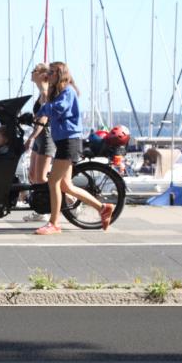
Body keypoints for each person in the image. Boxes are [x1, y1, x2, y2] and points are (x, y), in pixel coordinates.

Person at [31, 61, 114, 234]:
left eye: (52, 72)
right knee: (66, 186)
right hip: (65, 141)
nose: (49, 75)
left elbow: (58, 109)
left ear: (60, 74)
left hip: (69, 142)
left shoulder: (67, 91)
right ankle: (103, 208)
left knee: (53, 181)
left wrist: (43, 109)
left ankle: (54, 223)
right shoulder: (61, 91)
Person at [22, 63, 55, 222]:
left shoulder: (47, 92)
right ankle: (41, 210)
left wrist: (31, 137)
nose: (31, 72)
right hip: (39, 136)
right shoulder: (40, 93)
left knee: (41, 177)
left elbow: (43, 120)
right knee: (33, 176)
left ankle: (66, 201)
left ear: (42, 75)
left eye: (34, 70)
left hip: (46, 136)